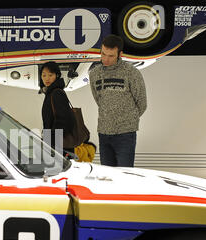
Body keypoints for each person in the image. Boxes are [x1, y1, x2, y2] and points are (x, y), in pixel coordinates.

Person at [89, 34, 147, 167]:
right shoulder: (94, 74)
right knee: (107, 176)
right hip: (103, 132)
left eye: (111, 56)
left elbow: (142, 102)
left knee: (125, 176)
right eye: (103, 54)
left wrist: (127, 120)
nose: (106, 59)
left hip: (125, 134)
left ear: (120, 54)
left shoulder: (131, 72)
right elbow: (99, 99)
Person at [39, 61, 75, 157]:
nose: (47, 78)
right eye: (44, 75)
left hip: (59, 146)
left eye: (50, 75)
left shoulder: (56, 93)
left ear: (57, 75)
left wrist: (52, 143)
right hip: (54, 143)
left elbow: (63, 120)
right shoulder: (50, 93)